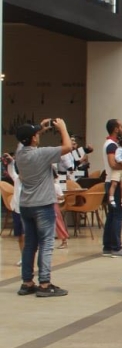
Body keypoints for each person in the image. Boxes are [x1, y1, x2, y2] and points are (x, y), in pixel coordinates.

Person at [14, 118, 72, 297]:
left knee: (30, 243)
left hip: (26, 205)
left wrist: (40, 127)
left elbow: (25, 137)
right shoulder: (41, 154)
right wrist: (62, 127)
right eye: (36, 134)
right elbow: (68, 147)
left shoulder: (20, 153)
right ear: (33, 138)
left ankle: (27, 282)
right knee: (46, 244)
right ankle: (45, 283)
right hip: (43, 205)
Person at [102, 119, 122, 258]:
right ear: (115, 129)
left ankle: (108, 246)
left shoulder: (114, 145)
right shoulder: (111, 146)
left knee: (112, 215)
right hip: (114, 181)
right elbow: (113, 164)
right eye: (121, 126)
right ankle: (116, 247)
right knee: (118, 215)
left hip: (112, 181)